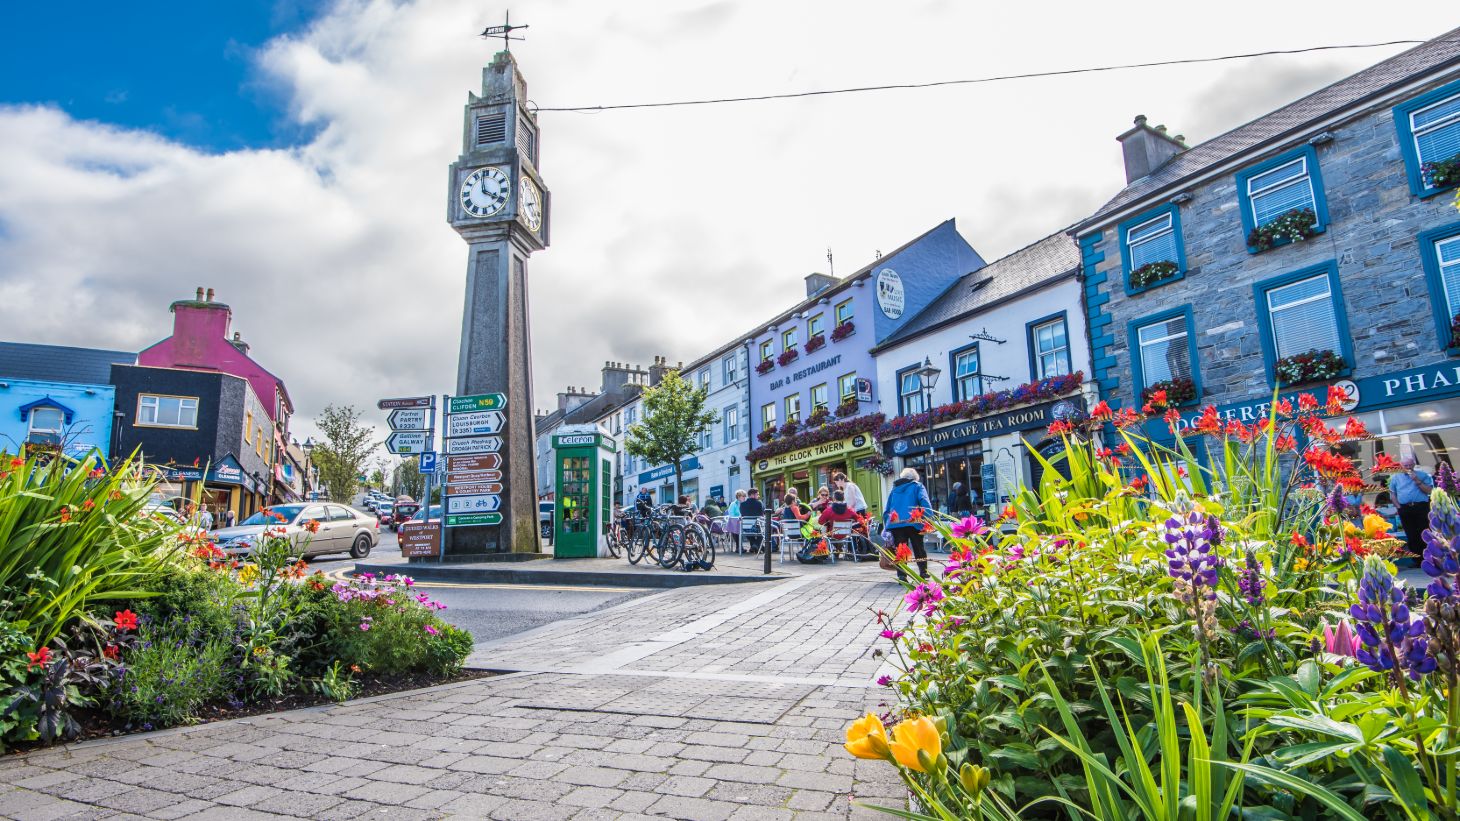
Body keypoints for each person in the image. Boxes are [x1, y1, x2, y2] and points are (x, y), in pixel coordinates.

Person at [884, 467, 933, 581]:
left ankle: (902, 575)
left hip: (896, 523)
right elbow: (924, 501)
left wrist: (887, 524)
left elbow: (887, 508)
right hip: (913, 521)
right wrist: (929, 517)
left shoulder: (894, 489)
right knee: (918, 547)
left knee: (901, 549)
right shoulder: (917, 486)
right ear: (914, 478)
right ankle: (923, 572)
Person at [1388, 456, 1434, 562]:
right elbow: (1392, 493)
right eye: (1405, 465)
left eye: (1410, 465)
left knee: (1424, 532)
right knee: (1411, 534)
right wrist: (1399, 507)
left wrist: (1417, 480)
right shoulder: (1396, 477)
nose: (1408, 467)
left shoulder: (1423, 475)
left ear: (1414, 464)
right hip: (1405, 508)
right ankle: (1417, 560)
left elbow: (1429, 491)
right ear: (1401, 466)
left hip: (1421, 507)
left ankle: (1428, 558)